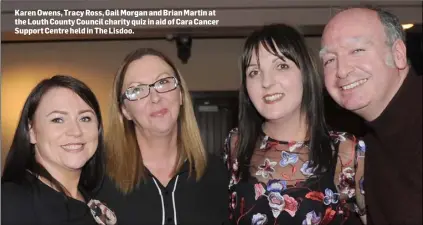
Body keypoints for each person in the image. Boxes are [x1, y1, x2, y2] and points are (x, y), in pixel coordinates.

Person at [223, 23, 367, 225]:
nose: (266, 82)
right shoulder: (236, 144)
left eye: (281, 66)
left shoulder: (347, 152)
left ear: (305, 73)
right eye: (254, 72)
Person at [96, 48, 229, 225]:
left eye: (163, 82)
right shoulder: (98, 177)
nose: (155, 97)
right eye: (136, 90)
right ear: (125, 110)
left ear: (181, 95)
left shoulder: (218, 174)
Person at [320, 7, 422, 225]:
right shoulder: (360, 146)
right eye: (329, 60)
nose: (341, 71)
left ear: (398, 54)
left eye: (356, 50)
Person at [1, 75, 117, 225]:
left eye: (85, 118)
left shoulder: (97, 201)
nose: (75, 131)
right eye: (58, 119)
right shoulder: (9, 202)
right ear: (31, 132)